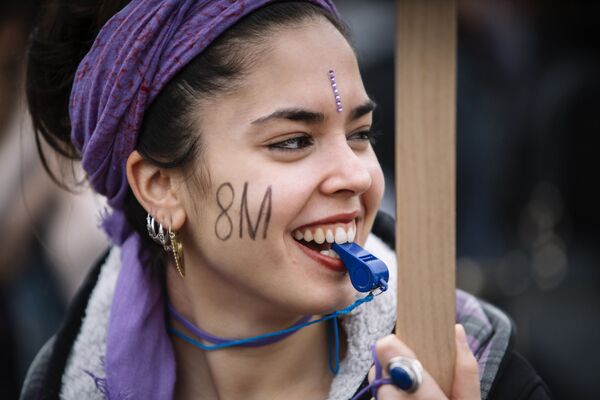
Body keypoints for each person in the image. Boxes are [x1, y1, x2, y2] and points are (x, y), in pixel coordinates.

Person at [20, 1, 550, 399]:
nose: (357, 175)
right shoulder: (60, 381)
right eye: (293, 142)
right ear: (161, 187)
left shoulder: (470, 368)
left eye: (361, 134)